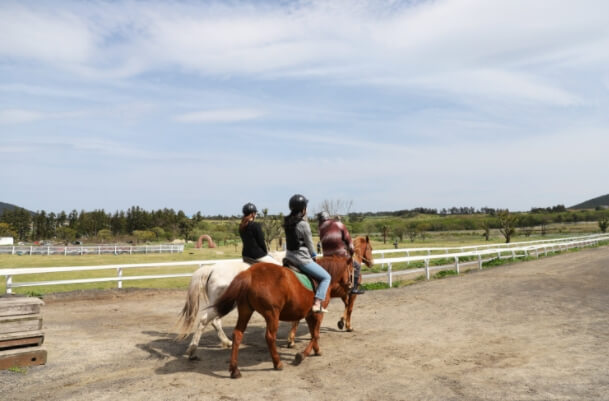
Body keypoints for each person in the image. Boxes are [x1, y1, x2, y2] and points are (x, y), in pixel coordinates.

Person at [284, 194, 331, 313]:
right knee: (326, 277)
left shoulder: (287, 222)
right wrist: (314, 255)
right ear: (303, 209)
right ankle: (317, 303)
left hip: (289, 257)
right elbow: (309, 243)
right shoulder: (303, 224)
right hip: (302, 259)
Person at [317, 211, 365, 294]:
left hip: (327, 257)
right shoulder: (339, 225)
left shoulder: (320, 229)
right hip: (340, 256)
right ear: (329, 217)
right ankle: (354, 288)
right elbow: (349, 242)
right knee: (357, 266)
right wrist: (351, 251)